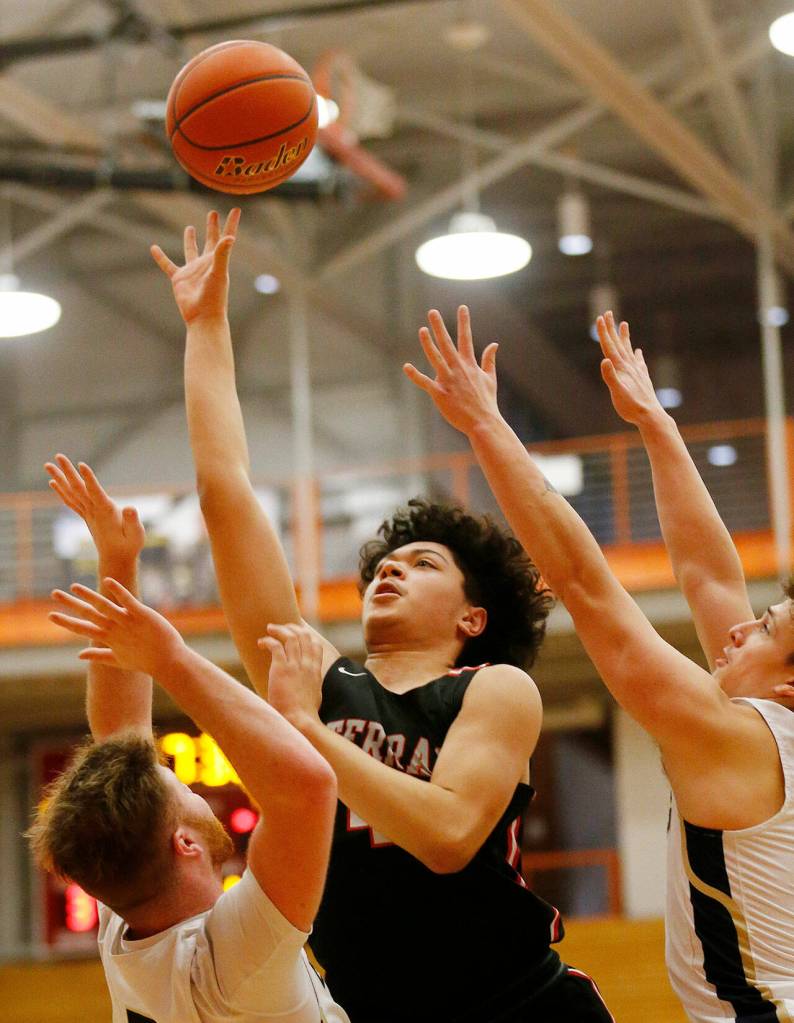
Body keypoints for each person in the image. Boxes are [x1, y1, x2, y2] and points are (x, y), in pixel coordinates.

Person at [150, 210, 614, 1022]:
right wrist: (206, 325)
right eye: (384, 564)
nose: (391, 568)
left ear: (473, 616)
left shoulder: (494, 689)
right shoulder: (315, 675)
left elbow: (447, 834)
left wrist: (306, 728)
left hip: (518, 1006)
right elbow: (225, 493)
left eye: (423, 563)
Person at [404, 304, 794, 1022]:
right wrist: (656, 426)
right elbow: (709, 575)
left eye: (764, 629)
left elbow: (583, 583)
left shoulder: (736, 737)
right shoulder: (767, 733)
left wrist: (486, 425)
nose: (739, 631)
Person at [28, 455, 347, 1023]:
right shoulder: (230, 966)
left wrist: (119, 562)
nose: (170, 765)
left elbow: (118, 734)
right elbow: (307, 788)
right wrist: (171, 660)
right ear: (185, 843)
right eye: (173, 779)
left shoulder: (130, 923)